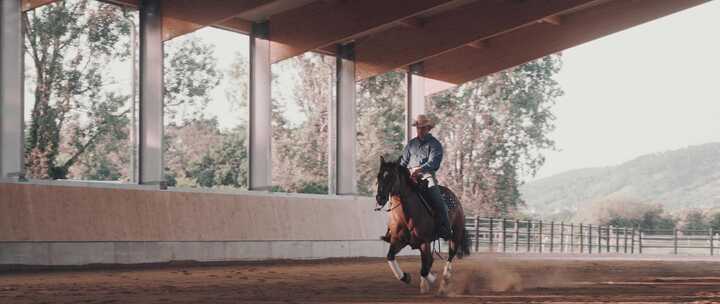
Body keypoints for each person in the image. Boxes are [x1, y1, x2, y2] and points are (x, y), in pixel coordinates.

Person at [400, 114, 451, 240]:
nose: (420, 130)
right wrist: (402, 172)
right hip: (410, 176)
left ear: (428, 128)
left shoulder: (435, 144)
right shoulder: (411, 144)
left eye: (423, 128)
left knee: (437, 199)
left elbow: (434, 162)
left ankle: (445, 228)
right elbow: (403, 162)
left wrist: (419, 169)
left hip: (426, 176)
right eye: (418, 128)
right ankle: (396, 227)